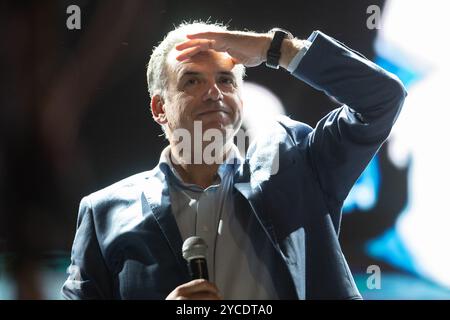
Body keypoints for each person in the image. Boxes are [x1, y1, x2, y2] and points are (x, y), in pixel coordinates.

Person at [61, 21, 406, 300]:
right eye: (192, 80)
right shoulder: (103, 212)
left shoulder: (297, 163)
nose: (214, 92)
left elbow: (382, 100)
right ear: (159, 108)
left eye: (226, 80)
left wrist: (276, 49)